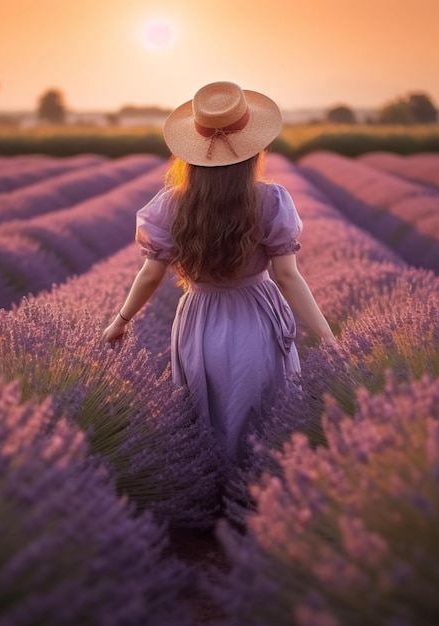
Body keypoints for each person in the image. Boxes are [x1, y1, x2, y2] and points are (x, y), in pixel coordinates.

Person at [103, 81, 336, 465]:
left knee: (204, 410)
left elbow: (150, 274)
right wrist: (328, 336)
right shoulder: (270, 200)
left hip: (199, 317)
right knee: (261, 410)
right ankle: (261, 497)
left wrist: (121, 321)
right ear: (253, 150)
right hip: (256, 316)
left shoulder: (172, 205)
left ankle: (210, 499)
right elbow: (288, 277)